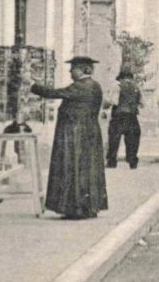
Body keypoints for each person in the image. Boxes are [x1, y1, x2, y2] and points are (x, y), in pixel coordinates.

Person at [31, 56, 109, 219]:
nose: (70, 71)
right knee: (88, 170)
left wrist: (33, 85)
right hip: (90, 133)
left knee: (72, 168)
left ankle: (76, 209)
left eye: (73, 69)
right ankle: (89, 207)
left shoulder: (80, 86)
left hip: (75, 134)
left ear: (82, 69)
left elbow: (53, 93)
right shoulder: (95, 86)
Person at [105, 67, 142, 169]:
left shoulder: (118, 86)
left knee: (114, 139)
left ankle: (112, 161)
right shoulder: (136, 87)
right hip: (132, 117)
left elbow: (114, 101)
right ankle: (132, 160)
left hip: (119, 116)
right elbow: (141, 103)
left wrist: (105, 104)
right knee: (132, 139)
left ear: (121, 77)